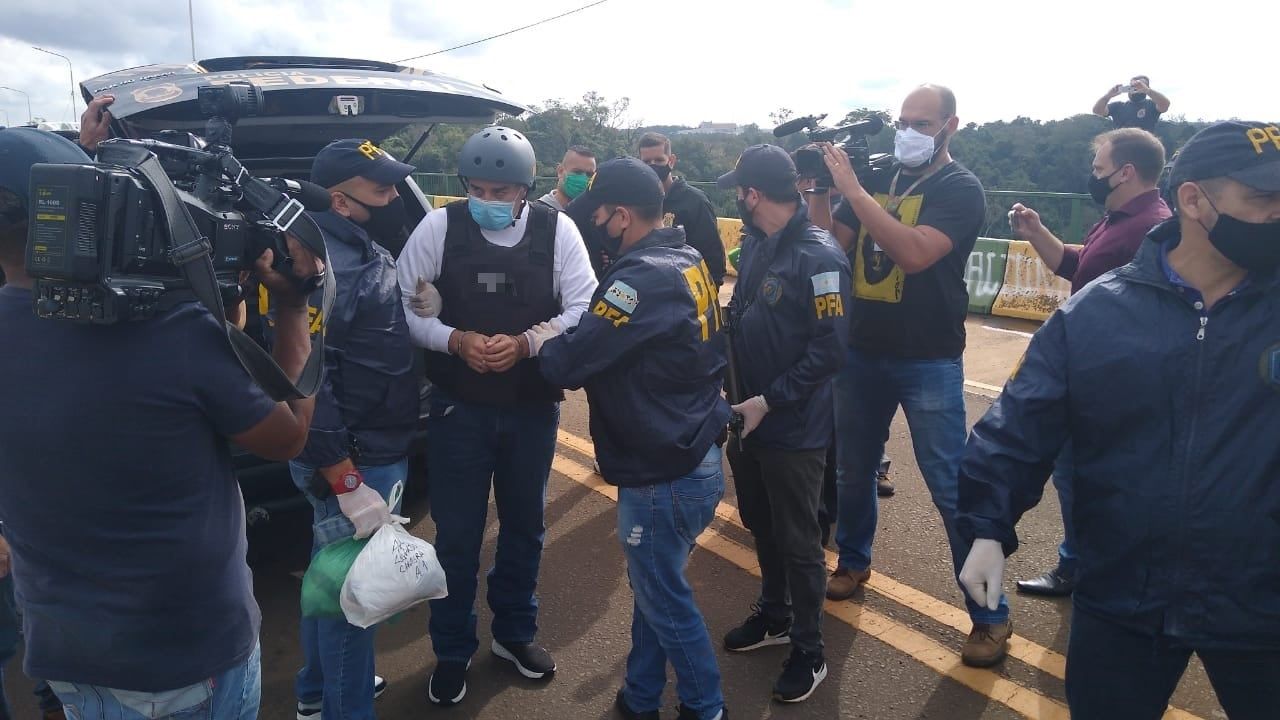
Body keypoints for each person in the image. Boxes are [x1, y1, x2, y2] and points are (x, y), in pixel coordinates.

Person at [0, 127, 328, 717]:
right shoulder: (169, 332)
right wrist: (290, 304)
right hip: (185, 658)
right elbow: (288, 436)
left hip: (66, 649)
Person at [957, 120, 1280, 720]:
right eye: (1263, 198)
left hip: (1262, 603)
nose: (1277, 214)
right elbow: (1020, 424)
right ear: (1193, 199)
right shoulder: (1097, 314)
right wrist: (986, 525)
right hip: (1122, 597)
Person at [396, 125, 597, 706]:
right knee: (456, 536)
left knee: (525, 527)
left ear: (526, 191)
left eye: (501, 192)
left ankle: (514, 634)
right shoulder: (439, 227)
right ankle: (452, 651)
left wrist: (531, 341)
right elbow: (402, 305)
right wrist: (452, 338)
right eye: (477, 188)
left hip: (531, 409)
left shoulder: (559, 231)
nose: (487, 200)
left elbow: (586, 304)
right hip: (460, 409)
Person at [807, 84, 1008, 667]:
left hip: (929, 357)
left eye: (922, 122)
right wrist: (822, 189)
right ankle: (853, 561)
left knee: (956, 488)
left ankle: (991, 612)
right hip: (863, 351)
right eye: (903, 120)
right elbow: (830, 244)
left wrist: (852, 191)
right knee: (852, 470)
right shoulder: (877, 181)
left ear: (951, 126)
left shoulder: (959, 189)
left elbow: (915, 253)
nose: (908, 131)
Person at [534, 156, 731, 720]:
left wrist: (541, 338)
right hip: (693, 449)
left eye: (596, 215)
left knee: (666, 601)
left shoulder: (638, 280)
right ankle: (640, 697)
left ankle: (705, 707)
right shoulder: (686, 257)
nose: (592, 225)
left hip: (661, 468)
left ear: (620, 216)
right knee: (656, 591)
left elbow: (570, 363)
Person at [267, 138, 420, 720]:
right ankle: (344, 707)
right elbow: (310, 380)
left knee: (329, 578)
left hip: (362, 446)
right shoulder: (324, 264)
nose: (394, 197)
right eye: (382, 189)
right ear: (341, 199)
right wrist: (344, 476)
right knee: (356, 602)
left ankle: (313, 691)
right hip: (354, 456)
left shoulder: (354, 247)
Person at [1007, 127, 1171, 597]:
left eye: (1099, 170)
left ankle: (1084, 567)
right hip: (1088, 370)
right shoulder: (1115, 220)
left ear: (1126, 172)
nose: (1093, 178)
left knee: (1083, 478)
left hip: (1106, 379)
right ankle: (1081, 561)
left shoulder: (1149, 229)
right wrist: (1037, 232)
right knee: (1074, 475)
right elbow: (1078, 267)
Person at [718, 144, 851, 703]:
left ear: (752, 195)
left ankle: (809, 649)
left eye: (739, 192)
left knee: (800, 542)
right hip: (747, 417)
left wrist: (769, 401)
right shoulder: (756, 245)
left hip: (792, 426)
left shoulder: (820, 258)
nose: (739, 201)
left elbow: (831, 350)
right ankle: (774, 615)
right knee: (761, 523)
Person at [638, 132, 728, 287]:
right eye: (646, 162)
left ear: (671, 161)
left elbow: (713, 258)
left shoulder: (694, 201)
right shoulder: (637, 201)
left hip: (685, 290)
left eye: (659, 160)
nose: (652, 166)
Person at [1092, 75, 1171, 132]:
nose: (1135, 88)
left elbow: (1165, 104)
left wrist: (1148, 91)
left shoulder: (1151, 105)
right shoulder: (1118, 106)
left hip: (1145, 148)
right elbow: (1097, 111)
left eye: (1140, 85)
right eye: (1132, 86)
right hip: (1121, 149)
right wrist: (1108, 96)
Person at [536, 145, 597, 212]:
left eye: (589, 174)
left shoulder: (593, 215)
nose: (583, 178)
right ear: (560, 171)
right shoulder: (537, 212)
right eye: (577, 172)